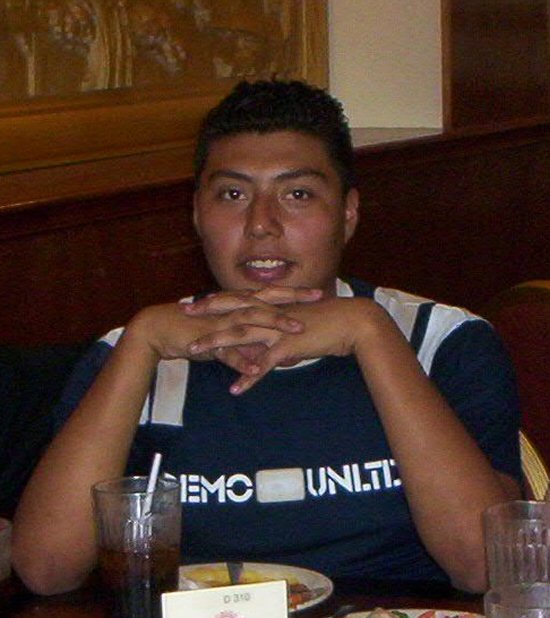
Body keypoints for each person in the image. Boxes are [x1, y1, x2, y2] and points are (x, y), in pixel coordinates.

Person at [12, 79, 522, 596]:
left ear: (347, 214)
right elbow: (47, 570)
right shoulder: (136, 351)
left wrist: (371, 333)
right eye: (232, 195)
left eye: (297, 194)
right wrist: (142, 342)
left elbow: (485, 567)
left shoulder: (444, 342)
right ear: (197, 214)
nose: (261, 225)